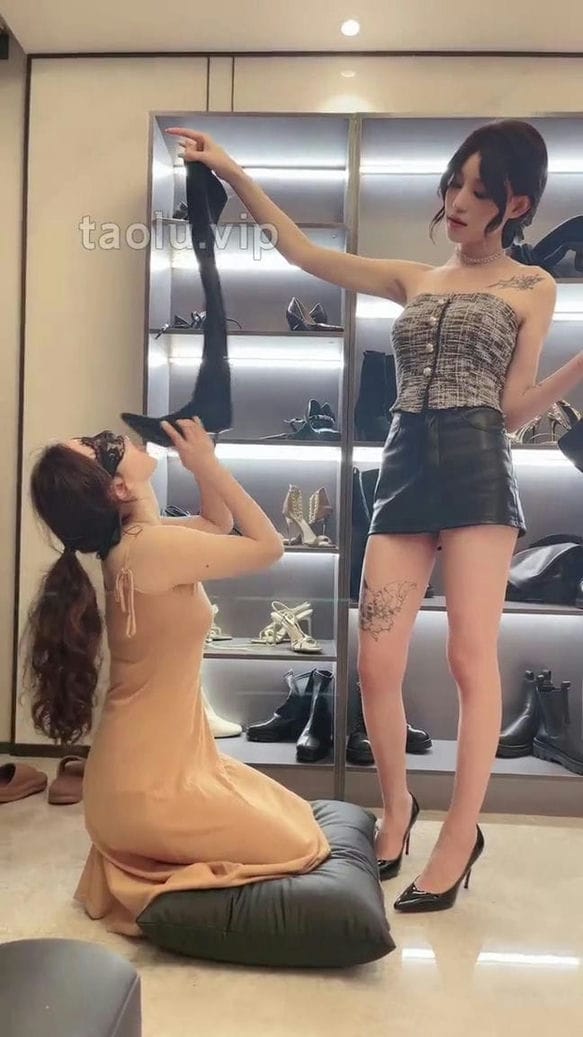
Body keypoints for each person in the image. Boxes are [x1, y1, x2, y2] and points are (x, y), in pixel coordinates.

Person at [167, 120, 583, 913]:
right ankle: (396, 807)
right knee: (375, 664)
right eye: (453, 184)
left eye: (478, 191)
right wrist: (234, 172)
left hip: (478, 473)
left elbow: (513, 410)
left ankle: (459, 835)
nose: (456, 201)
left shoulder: (533, 286)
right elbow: (302, 252)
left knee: (469, 659)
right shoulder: (413, 278)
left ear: (515, 204)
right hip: (403, 468)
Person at [25, 420, 330, 936]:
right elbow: (269, 546)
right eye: (104, 447)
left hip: (143, 775)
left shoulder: (138, 541)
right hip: (149, 787)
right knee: (302, 844)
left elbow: (217, 522)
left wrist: (201, 462)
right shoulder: (150, 548)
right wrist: (207, 464)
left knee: (298, 815)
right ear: (119, 488)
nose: (114, 437)